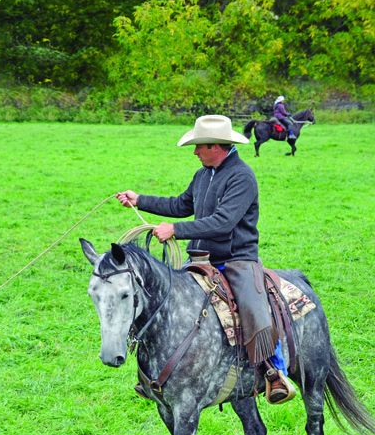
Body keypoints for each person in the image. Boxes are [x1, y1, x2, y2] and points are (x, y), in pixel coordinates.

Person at [116, 114, 295, 405]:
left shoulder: (242, 176)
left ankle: (273, 371)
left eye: (200, 146)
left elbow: (223, 222)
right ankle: (154, 370)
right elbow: (181, 204)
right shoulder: (203, 175)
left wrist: (176, 230)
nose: (195, 151)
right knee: (162, 299)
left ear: (217, 146)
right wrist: (140, 200)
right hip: (201, 259)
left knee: (252, 303)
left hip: (237, 259)